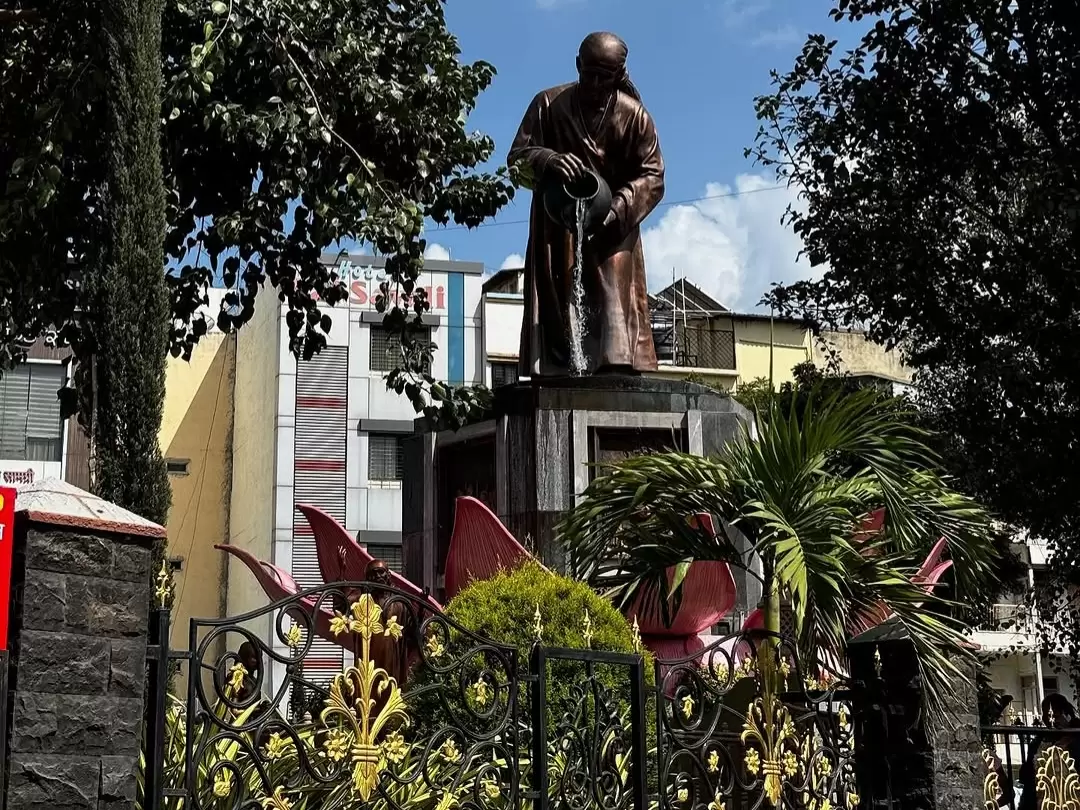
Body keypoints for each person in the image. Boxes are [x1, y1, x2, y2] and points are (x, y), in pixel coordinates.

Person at [508, 32, 665, 377]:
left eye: (604, 76)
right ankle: (560, 365)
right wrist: (548, 159)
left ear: (619, 75)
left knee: (612, 301)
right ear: (578, 65)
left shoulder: (634, 116)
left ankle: (615, 366)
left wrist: (616, 209)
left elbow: (653, 177)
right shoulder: (548, 104)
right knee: (558, 314)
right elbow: (516, 160)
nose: (594, 83)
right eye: (588, 73)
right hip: (559, 221)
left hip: (613, 224)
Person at [1018, 693, 1080, 809]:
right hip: (1042, 800)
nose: (1052, 721)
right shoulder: (1038, 743)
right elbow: (1028, 777)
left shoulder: (1077, 738)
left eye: (1056, 715)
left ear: (1067, 715)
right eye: (1047, 717)